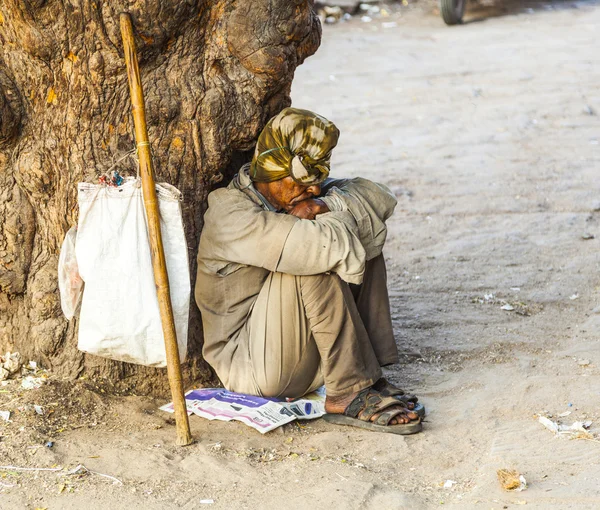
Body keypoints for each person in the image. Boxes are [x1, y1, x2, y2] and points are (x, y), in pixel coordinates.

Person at [195, 107, 423, 434]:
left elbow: (380, 197)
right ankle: (347, 391)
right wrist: (335, 217)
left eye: (318, 182)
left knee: (360, 233)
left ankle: (369, 374)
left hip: (296, 350)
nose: (314, 190)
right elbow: (319, 246)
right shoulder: (229, 213)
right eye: (305, 183)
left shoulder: (302, 194)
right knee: (320, 252)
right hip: (252, 365)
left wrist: (325, 206)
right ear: (273, 170)